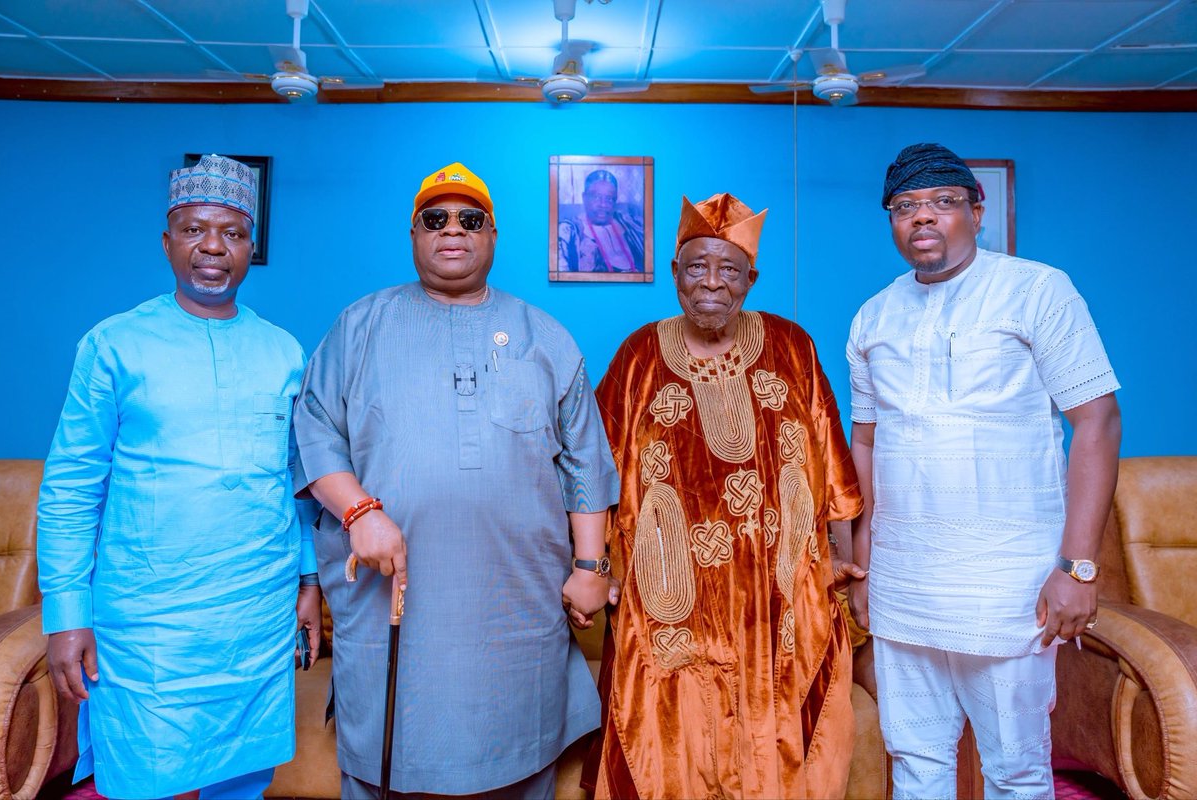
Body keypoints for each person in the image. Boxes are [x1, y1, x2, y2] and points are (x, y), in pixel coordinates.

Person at [293, 162, 620, 799]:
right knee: (392, 757)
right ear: (413, 235)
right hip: (394, 604)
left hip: (514, 609)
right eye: (435, 219)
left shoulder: (544, 336)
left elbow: (585, 460)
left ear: (492, 236)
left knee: (520, 760)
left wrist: (590, 565)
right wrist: (359, 512)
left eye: (470, 220)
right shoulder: (360, 326)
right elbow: (314, 430)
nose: (452, 231)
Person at [37, 154, 322, 800]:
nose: (213, 247)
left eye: (231, 232)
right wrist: (66, 613)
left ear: (252, 246)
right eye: (194, 230)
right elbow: (70, 488)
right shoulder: (113, 345)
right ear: (168, 242)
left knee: (241, 781)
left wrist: (309, 581)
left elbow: (297, 481)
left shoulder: (284, 350)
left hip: (255, 614)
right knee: (141, 778)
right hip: (148, 624)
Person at [845, 143, 1122, 799]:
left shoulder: (1037, 290)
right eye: (905, 207)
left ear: (977, 209)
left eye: (942, 202)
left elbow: (1098, 421)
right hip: (903, 581)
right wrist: (862, 565)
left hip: (1008, 582)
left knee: (1017, 767)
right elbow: (865, 447)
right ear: (891, 220)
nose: (923, 218)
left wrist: (1077, 567)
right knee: (914, 760)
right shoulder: (872, 317)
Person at [590, 192, 864, 798]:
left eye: (728, 269)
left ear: (751, 279)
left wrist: (846, 565)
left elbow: (832, 467)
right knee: (670, 750)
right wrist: (592, 568)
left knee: (782, 756)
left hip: (777, 601)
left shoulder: (794, 346)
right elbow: (592, 473)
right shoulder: (638, 355)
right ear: (674, 275)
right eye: (696, 267)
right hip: (670, 604)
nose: (711, 282)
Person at [558, 169, 646, 272]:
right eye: (596, 197)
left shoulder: (631, 223)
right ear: (584, 197)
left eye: (609, 198)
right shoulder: (568, 232)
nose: (603, 205)